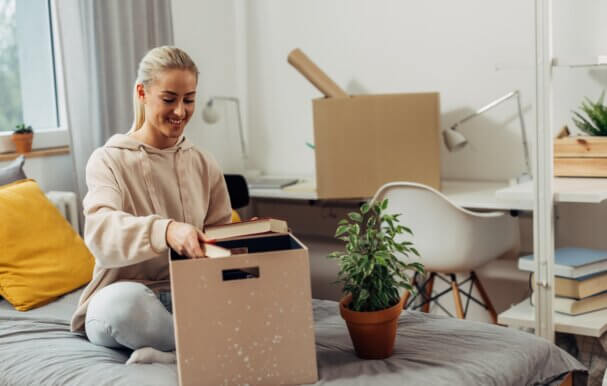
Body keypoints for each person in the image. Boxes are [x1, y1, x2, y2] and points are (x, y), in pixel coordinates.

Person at [70, 46, 232, 365]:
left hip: (190, 297)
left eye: (189, 99)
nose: (180, 112)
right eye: (169, 99)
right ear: (143, 93)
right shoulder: (108, 160)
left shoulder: (204, 163)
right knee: (122, 306)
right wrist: (165, 231)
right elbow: (101, 231)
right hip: (130, 299)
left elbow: (221, 237)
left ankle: (177, 353)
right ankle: (210, 347)